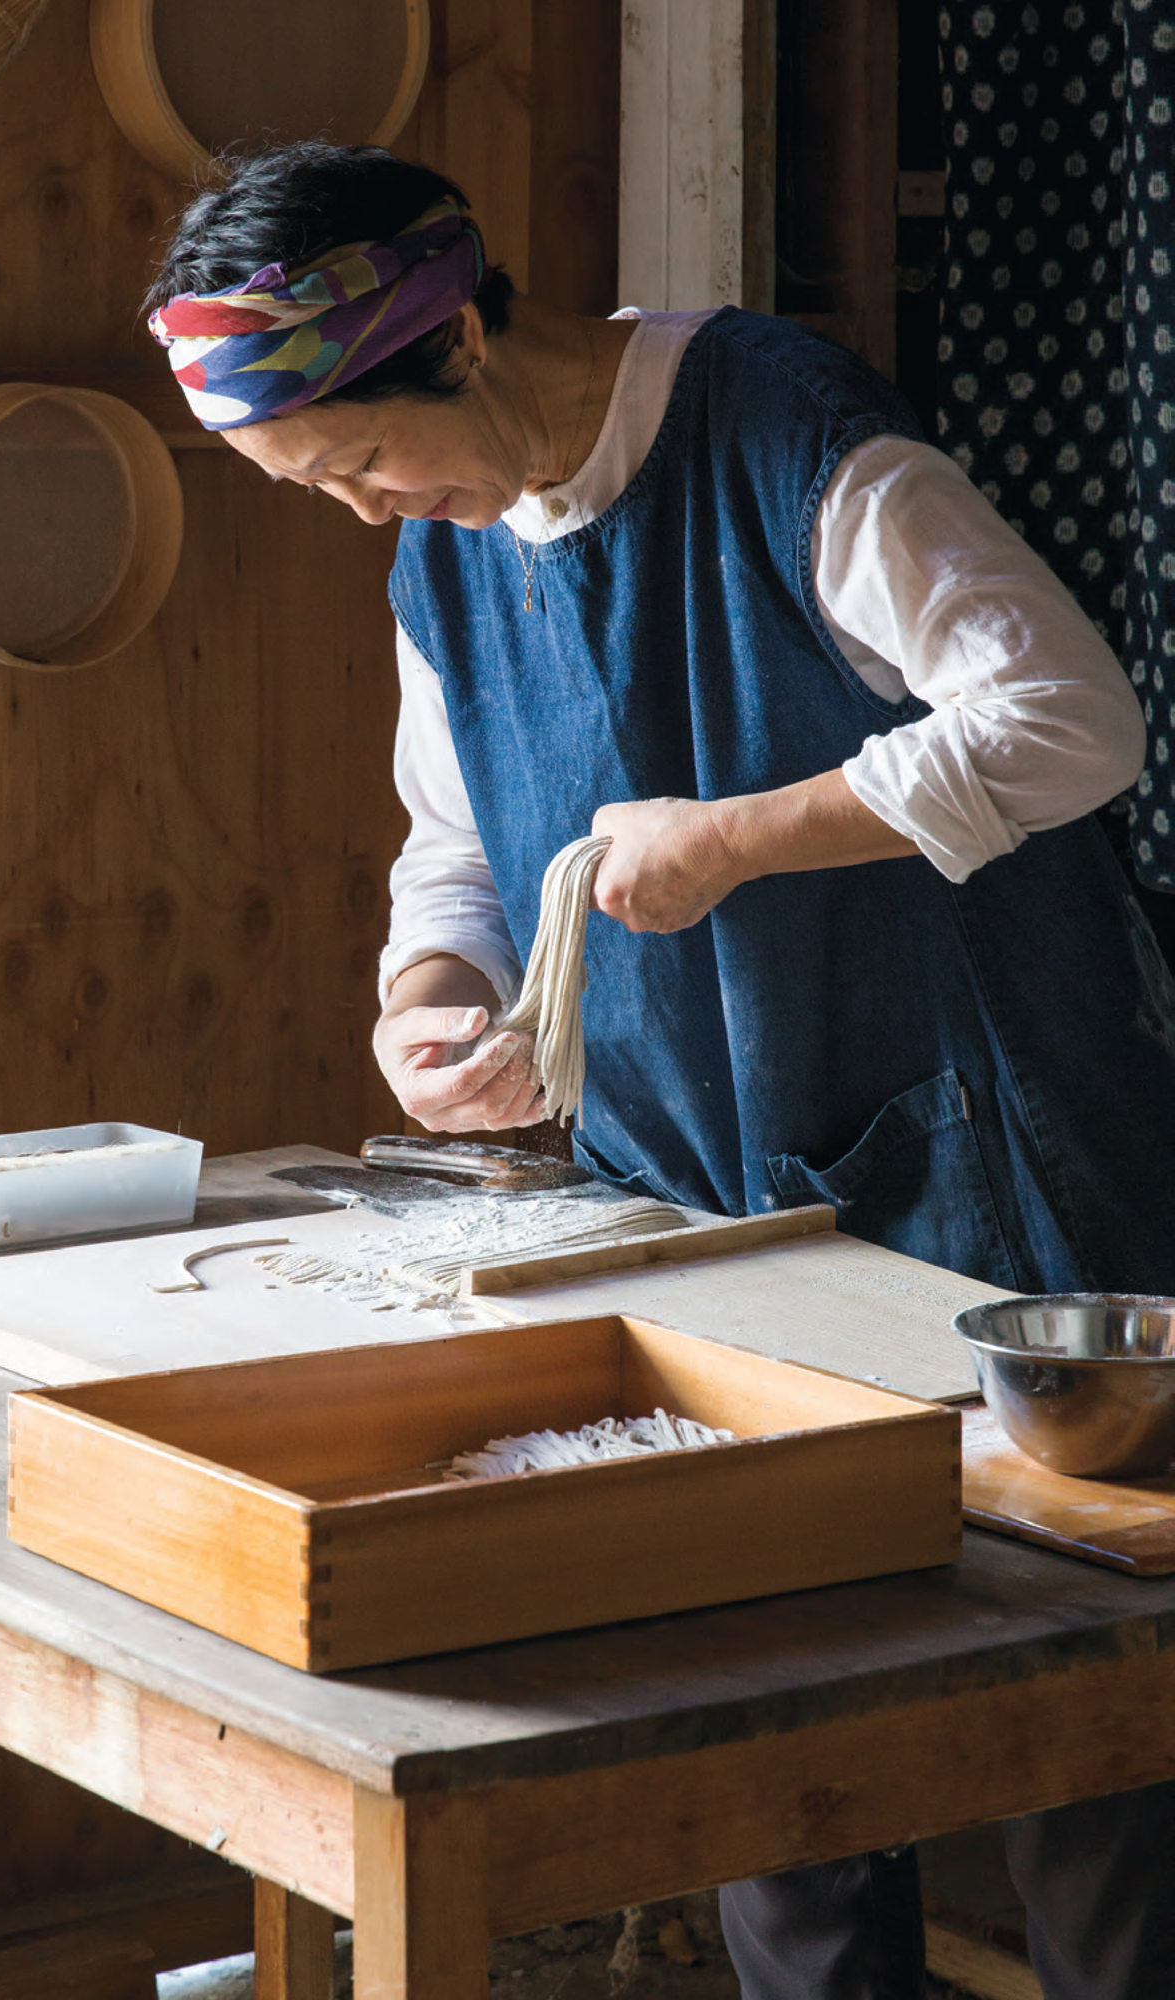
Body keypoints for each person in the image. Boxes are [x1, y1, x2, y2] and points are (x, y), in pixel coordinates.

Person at [146, 142, 1175, 1999]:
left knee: (1083, 1750)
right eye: (315, 488)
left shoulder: (786, 438)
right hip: (707, 1193)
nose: (364, 509)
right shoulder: (443, 564)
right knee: (770, 1736)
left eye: (360, 459)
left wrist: (745, 834)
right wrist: (429, 999)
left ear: (457, 336)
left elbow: (1070, 721)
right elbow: (448, 843)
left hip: (995, 1168)